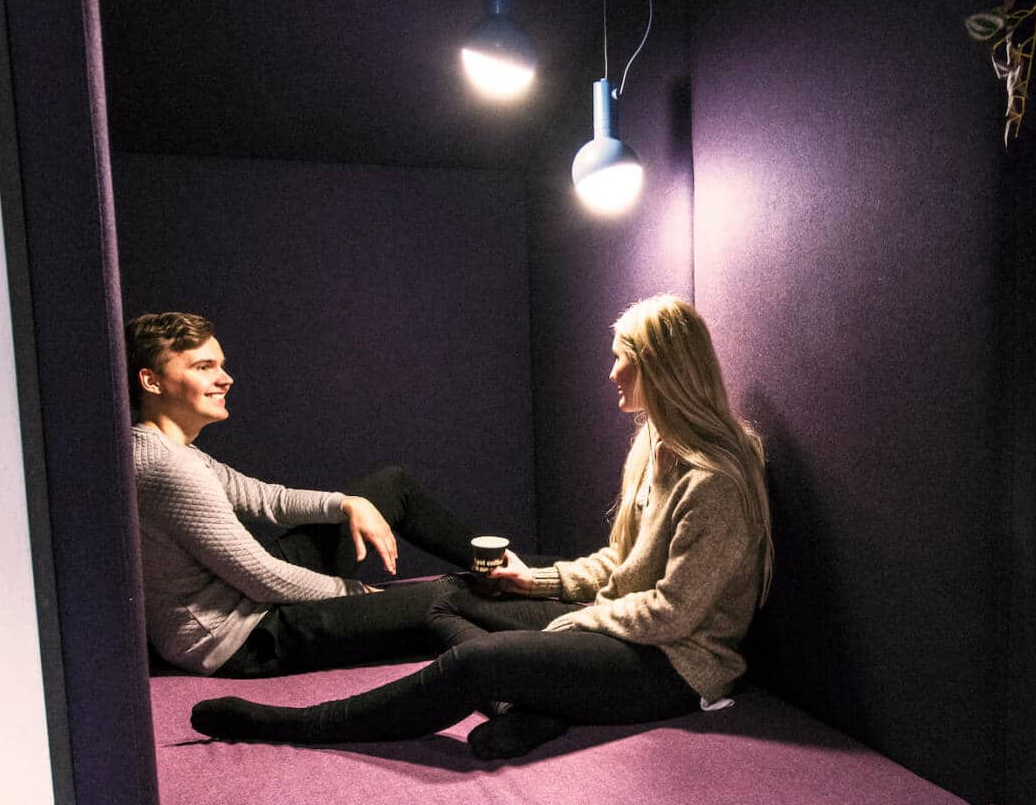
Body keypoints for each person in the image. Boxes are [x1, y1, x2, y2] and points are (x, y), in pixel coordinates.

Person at [190, 294, 773, 759]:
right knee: (445, 599)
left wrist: (573, 623)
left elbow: (675, 612)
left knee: (477, 663)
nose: (613, 371)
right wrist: (539, 585)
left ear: (661, 370)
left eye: (624, 357)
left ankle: (287, 726)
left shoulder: (713, 480)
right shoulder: (652, 443)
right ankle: (535, 708)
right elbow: (619, 564)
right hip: (622, 627)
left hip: (674, 665)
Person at [128, 310, 484, 677]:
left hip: (244, 596)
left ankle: (508, 567)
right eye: (204, 367)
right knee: (441, 602)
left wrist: (347, 503)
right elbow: (260, 578)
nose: (226, 379)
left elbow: (267, 500)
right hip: (239, 637)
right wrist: (355, 593)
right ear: (152, 381)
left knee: (389, 488)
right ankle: (532, 608)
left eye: (221, 365)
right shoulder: (169, 467)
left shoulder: (169, 449)